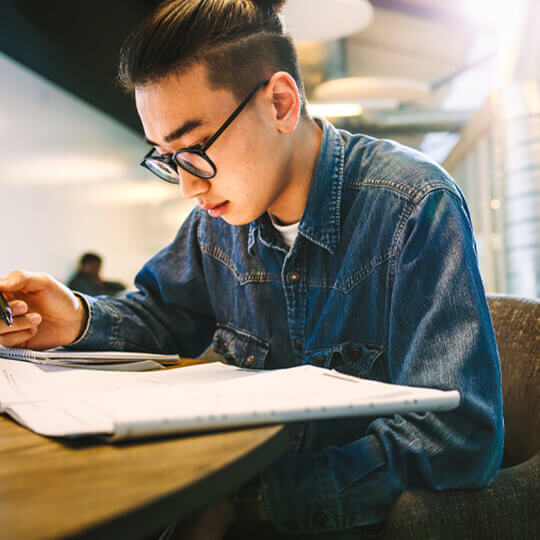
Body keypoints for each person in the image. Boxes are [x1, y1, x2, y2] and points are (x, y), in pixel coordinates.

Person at [0, 0, 503, 538]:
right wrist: (74, 318)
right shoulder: (217, 223)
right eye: (167, 158)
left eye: (195, 148)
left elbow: (460, 436)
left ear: (281, 104)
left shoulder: (411, 205)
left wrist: (251, 499)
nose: (190, 187)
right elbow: (162, 314)